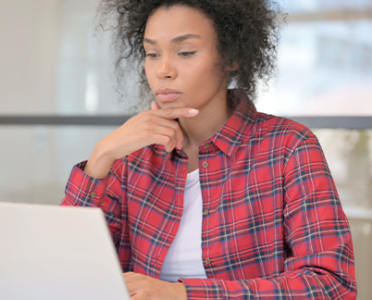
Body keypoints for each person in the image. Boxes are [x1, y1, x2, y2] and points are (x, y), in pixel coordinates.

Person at [60, 0, 357, 299]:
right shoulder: (131, 158)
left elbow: (331, 285)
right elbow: (64, 269)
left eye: (186, 52)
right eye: (152, 54)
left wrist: (182, 294)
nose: (163, 70)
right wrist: (101, 156)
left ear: (230, 56)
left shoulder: (288, 147)